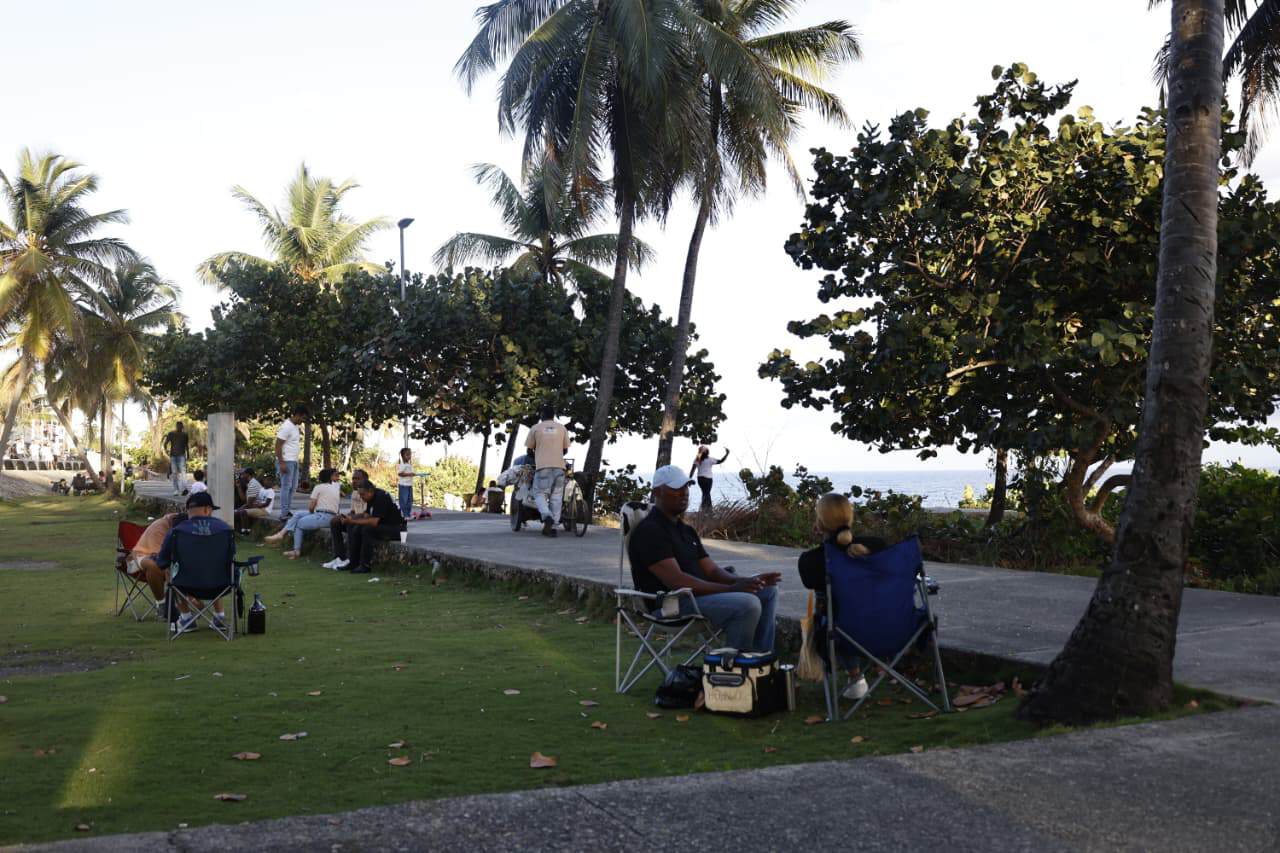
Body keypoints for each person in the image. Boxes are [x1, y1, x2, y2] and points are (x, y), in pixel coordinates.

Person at [628, 465, 781, 652]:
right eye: (676, 489)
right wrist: (731, 589)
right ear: (657, 492)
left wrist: (747, 582)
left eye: (686, 487)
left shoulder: (686, 531)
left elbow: (712, 571)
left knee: (768, 590)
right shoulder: (650, 531)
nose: (684, 493)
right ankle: (736, 669)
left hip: (698, 597)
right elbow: (678, 581)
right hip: (673, 604)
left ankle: (760, 661)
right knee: (747, 604)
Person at [797, 493, 888, 700]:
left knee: (833, 618)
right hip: (893, 629)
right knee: (853, 609)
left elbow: (811, 583)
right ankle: (868, 674)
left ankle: (855, 677)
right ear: (850, 518)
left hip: (846, 635)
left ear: (819, 524)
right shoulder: (879, 547)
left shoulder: (812, 561)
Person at [156, 493, 232, 633]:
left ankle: (186, 618)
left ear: (188, 510)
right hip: (221, 584)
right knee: (219, 566)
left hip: (185, 585)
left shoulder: (176, 531)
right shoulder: (225, 529)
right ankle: (220, 616)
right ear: (207, 509)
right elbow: (231, 556)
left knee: (170, 571)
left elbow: (162, 561)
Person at [331, 481, 405, 574]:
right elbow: (366, 515)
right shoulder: (372, 497)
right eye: (360, 495)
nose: (361, 498)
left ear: (370, 491)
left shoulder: (381, 497)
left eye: (363, 495)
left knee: (367, 529)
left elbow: (374, 521)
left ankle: (365, 565)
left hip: (397, 529)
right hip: (385, 525)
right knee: (356, 527)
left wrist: (352, 521)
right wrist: (349, 517)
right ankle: (353, 562)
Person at [265, 468, 342, 558]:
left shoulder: (318, 487)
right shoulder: (336, 487)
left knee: (299, 523)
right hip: (329, 515)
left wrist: (312, 514)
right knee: (298, 514)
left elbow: (311, 507)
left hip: (323, 516)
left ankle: (296, 550)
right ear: (330, 478)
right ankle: (281, 534)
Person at [525, 405, 570, 537]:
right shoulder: (562, 428)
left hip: (543, 467)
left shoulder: (535, 428)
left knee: (539, 493)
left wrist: (538, 455)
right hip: (560, 468)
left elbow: (529, 450)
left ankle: (546, 516)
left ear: (542, 415)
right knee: (556, 497)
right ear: (553, 415)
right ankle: (553, 527)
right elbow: (566, 450)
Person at [128, 511, 186, 610]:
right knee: (154, 565)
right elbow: (159, 559)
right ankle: (161, 603)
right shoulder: (158, 529)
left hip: (171, 561)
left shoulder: (184, 523)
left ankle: (186, 603)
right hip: (141, 556)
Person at [323, 468, 368, 570]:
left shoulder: (368, 491)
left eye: (357, 479)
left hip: (364, 522)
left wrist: (350, 518)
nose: (354, 481)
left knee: (350, 523)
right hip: (355, 519)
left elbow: (366, 514)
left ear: (365, 480)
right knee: (335, 521)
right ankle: (339, 557)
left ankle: (350, 559)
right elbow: (353, 511)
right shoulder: (355, 492)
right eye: (353, 479)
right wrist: (343, 516)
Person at [274, 405, 308, 521]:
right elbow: (278, 445)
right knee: (286, 487)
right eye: (303, 418)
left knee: (292, 488)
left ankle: (287, 511)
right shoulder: (286, 427)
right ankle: (283, 513)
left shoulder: (295, 427)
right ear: (297, 415)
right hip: (286, 461)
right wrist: (281, 463)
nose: (303, 420)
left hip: (293, 461)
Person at [690, 445, 730, 513]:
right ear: (707, 452)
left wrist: (690, 479)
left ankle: (704, 509)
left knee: (705, 493)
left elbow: (692, 469)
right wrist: (726, 454)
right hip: (708, 479)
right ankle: (708, 510)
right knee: (707, 493)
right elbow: (721, 461)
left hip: (700, 479)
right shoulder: (710, 459)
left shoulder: (697, 459)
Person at [162, 422, 191, 496]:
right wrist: (166, 450)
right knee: (174, 473)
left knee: (183, 472)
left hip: (182, 456)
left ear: (182, 427)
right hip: (173, 456)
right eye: (178, 426)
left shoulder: (185, 435)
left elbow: (186, 445)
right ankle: (176, 490)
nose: (179, 428)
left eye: (181, 426)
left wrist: (188, 454)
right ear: (176, 426)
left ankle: (184, 489)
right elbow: (165, 443)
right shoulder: (171, 434)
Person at [396, 448, 415, 519]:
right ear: (403, 456)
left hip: (409, 485)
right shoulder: (402, 464)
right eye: (407, 455)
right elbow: (400, 474)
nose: (409, 456)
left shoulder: (409, 464)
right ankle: (405, 515)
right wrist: (409, 474)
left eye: (410, 454)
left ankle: (408, 514)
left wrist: (412, 474)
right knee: (404, 500)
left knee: (410, 500)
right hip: (403, 485)